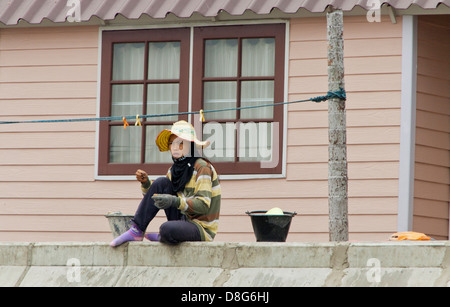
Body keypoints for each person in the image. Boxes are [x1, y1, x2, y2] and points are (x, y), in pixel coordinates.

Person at [110, 120, 221, 247]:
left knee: (166, 229)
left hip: (200, 228)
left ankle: (163, 236)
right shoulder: (174, 170)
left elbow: (203, 205)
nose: (175, 147)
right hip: (181, 219)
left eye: (180, 143)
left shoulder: (202, 167)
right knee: (161, 182)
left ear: (190, 145)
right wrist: (146, 184)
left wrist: (174, 201)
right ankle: (137, 230)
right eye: (171, 143)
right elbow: (157, 197)